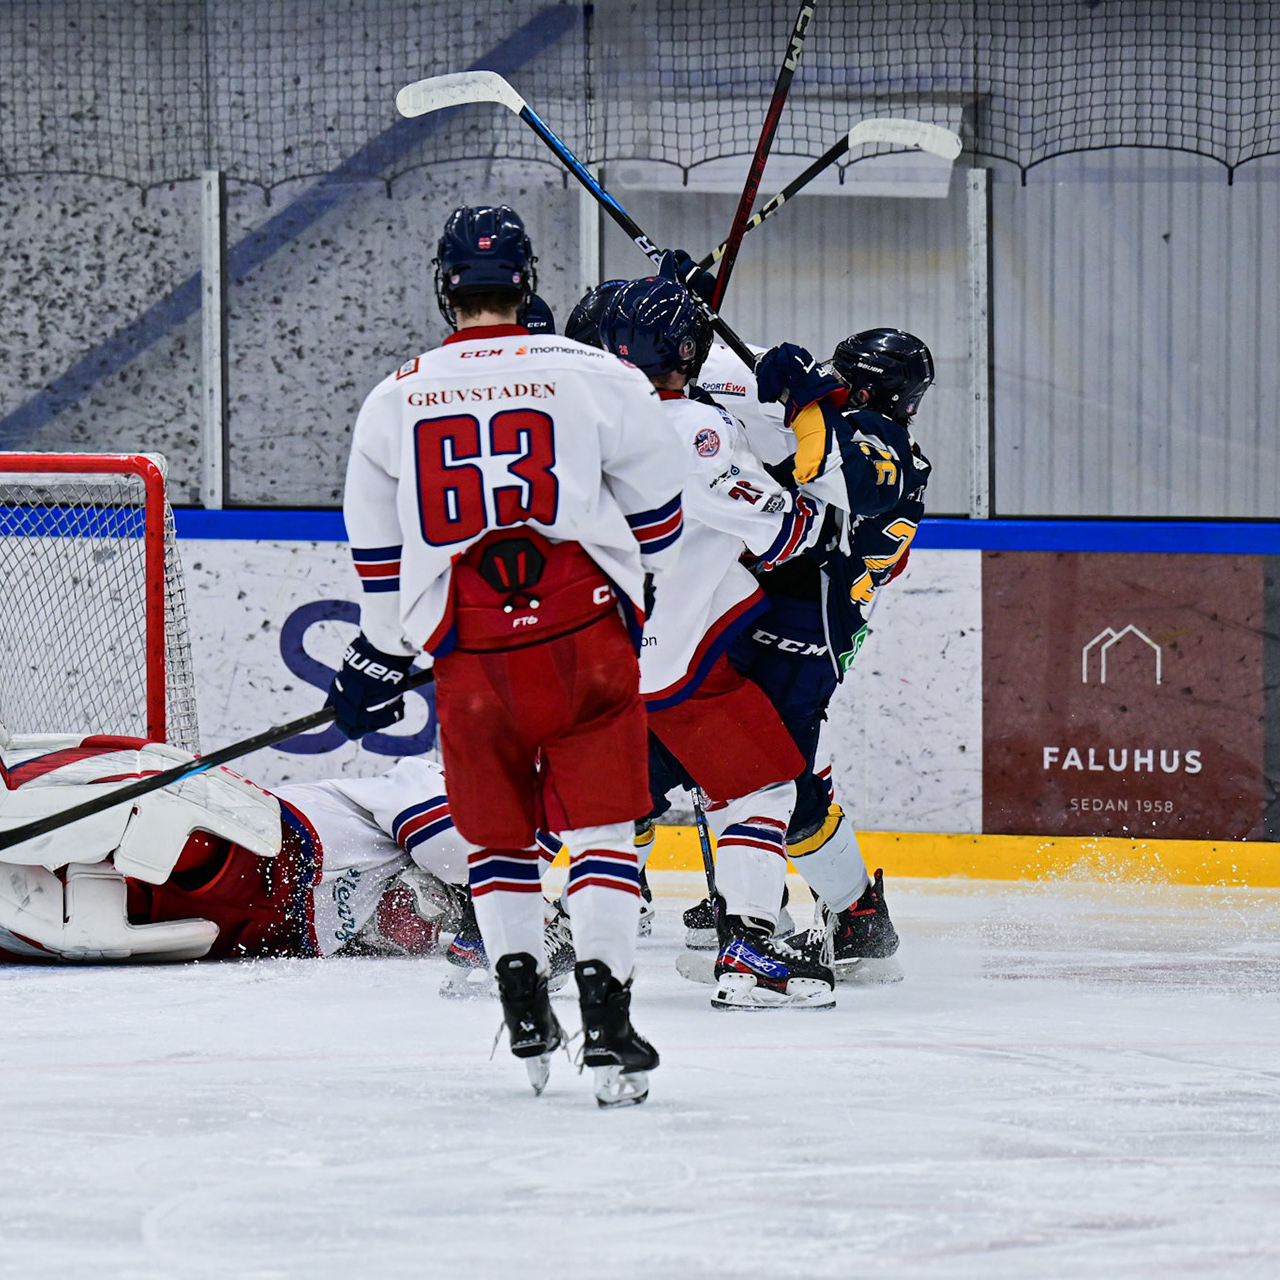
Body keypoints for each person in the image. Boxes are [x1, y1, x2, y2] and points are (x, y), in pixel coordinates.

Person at [326, 205, 689, 1105]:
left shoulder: (393, 397)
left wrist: (377, 656)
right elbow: (661, 524)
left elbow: (379, 561)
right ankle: (608, 1022)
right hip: (586, 640)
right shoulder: (596, 373)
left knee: (499, 840)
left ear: (444, 289)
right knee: (601, 835)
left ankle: (523, 1003)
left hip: (472, 654)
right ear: (527, 284)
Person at [589, 277, 838, 1010]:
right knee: (762, 784)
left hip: (584, 654)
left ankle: (501, 931)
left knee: (600, 796)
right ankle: (750, 948)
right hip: (670, 662)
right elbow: (786, 533)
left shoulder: (578, 422)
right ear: (688, 351)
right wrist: (809, 444)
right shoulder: (696, 430)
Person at [0, 688, 476, 967]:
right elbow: (448, 843)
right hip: (275, 848)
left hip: (255, 931)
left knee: (79, 926)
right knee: (151, 819)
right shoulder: (437, 782)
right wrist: (499, 898)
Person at [681, 327, 933, 983]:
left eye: (845, 379)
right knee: (765, 777)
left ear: (871, 390)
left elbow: (828, 472)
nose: (834, 384)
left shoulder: (880, 445)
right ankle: (835, 915)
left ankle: (784, 921)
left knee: (761, 779)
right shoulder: (863, 435)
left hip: (807, 629)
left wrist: (805, 399)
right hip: (792, 622)